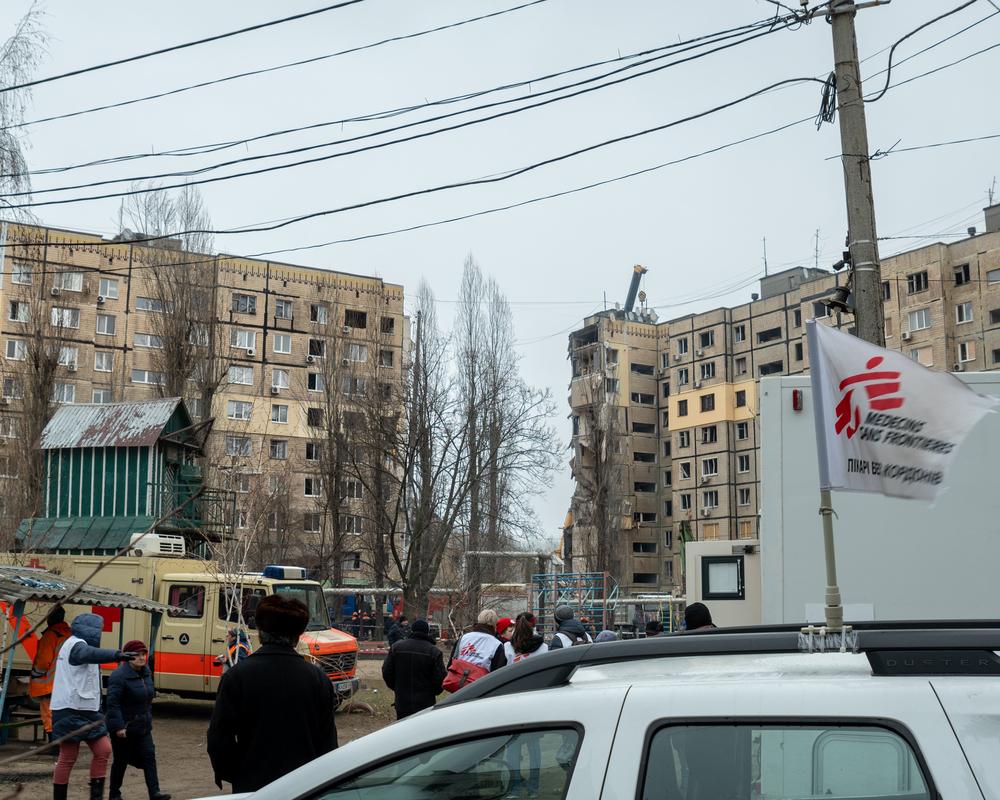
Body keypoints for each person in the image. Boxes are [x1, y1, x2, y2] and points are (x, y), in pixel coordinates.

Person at [207, 595, 337, 794]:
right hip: (305, 786)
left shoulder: (237, 677)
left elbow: (219, 738)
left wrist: (238, 774)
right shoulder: (318, 679)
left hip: (253, 786)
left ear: (260, 632)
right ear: (298, 635)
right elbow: (328, 742)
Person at [50, 613, 137, 800]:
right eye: (98, 631)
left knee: (103, 750)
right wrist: (116, 654)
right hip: (70, 709)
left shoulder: (82, 644)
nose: (99, 634)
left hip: (88, 711)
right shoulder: (76, 645)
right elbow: (87, 654)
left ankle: (95, 797)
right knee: (68, 757)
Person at [106, 640, 170, 800]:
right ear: (128, 656)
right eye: (136, 655)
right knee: (120, 761)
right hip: (124, 728)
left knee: (149, 756)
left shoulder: (146, 672)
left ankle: (155, 793)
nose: (141, 658)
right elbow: (112, 704)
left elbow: (148, 698)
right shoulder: (118, 676)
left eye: (143, 654)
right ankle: (114, 794)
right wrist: (119, 727)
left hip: (143, 726)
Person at [381, 619, 446, 719]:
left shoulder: (396, 648)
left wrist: (397, 688)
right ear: (427, 632)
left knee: (403, 729)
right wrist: (433, 692)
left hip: (402, 700)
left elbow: (387, 672)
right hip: (425, 702)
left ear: (412, 630)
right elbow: (440, 678)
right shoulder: (434, 652)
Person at [29, 607, 71, 750]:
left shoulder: (50, 635)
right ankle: (61, 745)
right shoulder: (69, 635)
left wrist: (36, 673)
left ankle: (54, 747)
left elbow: (43, 662)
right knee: (62, 714)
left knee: (48, 715)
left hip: (48, 683)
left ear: (49, 618)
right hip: (65, 682)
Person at [449, 610, 503, 674]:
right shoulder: (497, 644)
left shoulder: (463, 638)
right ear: (495, 623)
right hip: (481, 682)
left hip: (457, 680)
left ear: (479, 620)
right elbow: (496, 673)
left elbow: (450, 664)